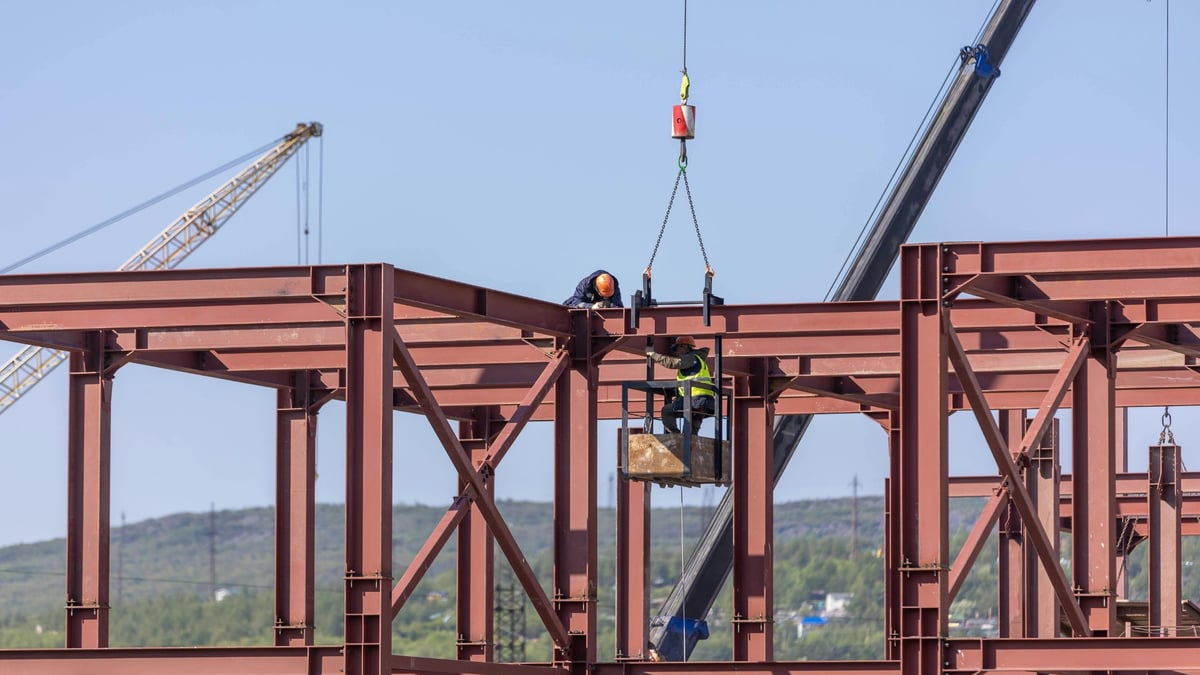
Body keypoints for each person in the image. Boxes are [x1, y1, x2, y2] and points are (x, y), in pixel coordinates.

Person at [645, 335, 716, 434]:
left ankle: (676, 435)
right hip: (705, 401)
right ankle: (688, 445)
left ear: (684, 347)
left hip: (693, 399)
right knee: (692, 432)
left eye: (676, 348)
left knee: (666, 412)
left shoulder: (690, 358)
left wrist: (652, 354)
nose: (676, 352)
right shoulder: (698, 359)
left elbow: (672, 363)